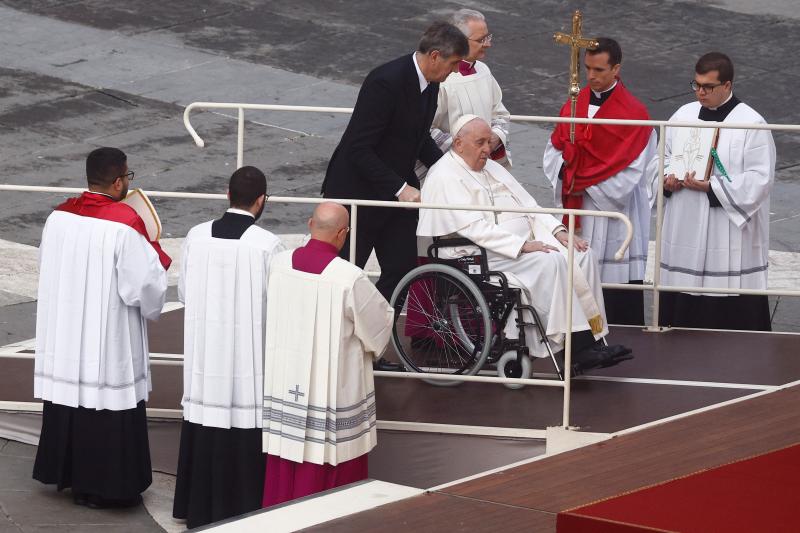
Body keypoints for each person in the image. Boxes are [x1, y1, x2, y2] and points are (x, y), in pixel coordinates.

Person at [418, 116, 632, 372]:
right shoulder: (444, 175)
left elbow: (529, 204)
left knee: (581, 255)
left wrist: (557, 231)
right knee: (551, 261)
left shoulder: (490, 167)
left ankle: (594, 339)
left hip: (516, 244)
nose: (488, 148)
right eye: (481, 142)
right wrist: (520, 245)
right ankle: (575, 346)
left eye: (489, 141)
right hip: (478, 252)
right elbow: (472, 228)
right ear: (459, 143)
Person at [322, 21, 467, 370]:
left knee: (402, 270)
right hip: (357, 194)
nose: (453, 72)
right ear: (435, 56)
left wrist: (454, 169)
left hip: (392, 192)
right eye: (452, 64)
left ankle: (368, 346)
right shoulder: (385, 82)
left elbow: (418, 139)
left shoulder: (431, 84)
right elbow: (358, 147)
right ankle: (332, 353)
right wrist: (401, 188)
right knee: (344, 274)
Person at [33, 147, 170, 508]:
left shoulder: (58, 217)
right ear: (119, 181)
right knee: (108, 403)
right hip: (108, 337)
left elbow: (47, 265)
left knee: (73, 401)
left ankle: (73, 478)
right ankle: (107, 487)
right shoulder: (124, 225)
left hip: (69, 332)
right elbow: (143, 287)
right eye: (128, 176)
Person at [172, 166, 284, 528]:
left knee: (205, 418)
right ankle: (241, 509)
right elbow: (276, 305)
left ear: (226, 193)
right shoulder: (267, 245)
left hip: (205, 356)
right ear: (261, 201)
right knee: (242, 421)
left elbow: (186, 292)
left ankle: (198, 507)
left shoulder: (196, 235)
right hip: (245, 361)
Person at [261, 202, 394, 507]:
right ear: (342, 234)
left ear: (310, 224)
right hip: (329, 391)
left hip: (287, 381)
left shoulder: (278, 264)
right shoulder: (349, 278)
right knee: (331, 463)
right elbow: (378, 329)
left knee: (287, 454)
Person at [658, 52, 776, 330]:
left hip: (725, 228)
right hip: (685, 219)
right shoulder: (682, 115)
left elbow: (761, 179)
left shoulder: (752, 123)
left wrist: (713, 187)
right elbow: (661, 157)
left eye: (708, 87)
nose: (700, 92)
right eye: (696, 85)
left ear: (727, 85)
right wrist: (666, 178)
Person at [543, 38, 657, 325]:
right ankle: (578, 331)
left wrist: (580, 180)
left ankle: (620, 329)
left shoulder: (635, 114)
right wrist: (568, 175)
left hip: (612, 214)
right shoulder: (574, 103)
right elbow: (553, 150)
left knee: (612, 279)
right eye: (587, 68)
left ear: (616, 69)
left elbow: (634, 171)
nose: (591, 76)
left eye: (599, 70)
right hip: (577, 205)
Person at [419, 8, 511, 175]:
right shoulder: (440, 78)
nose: (488, 44)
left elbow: (500, 115)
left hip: (484, 161)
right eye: (481, 39)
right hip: (451, 166)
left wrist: (494, 137)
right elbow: (425, 128)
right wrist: (465, 147)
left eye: (488, 37)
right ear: (459, 40)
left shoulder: (483, 71)